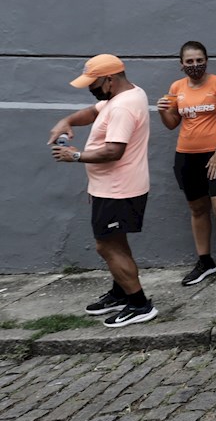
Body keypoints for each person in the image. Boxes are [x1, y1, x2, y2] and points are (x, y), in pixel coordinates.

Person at [48, 54, 158, 327]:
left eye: (93, 83)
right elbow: (94, 111)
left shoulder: (122, 107)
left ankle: (139, 304)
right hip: (109, 187)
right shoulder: (126, 95)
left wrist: (75, 156)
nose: (90, 88)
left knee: (106, 245)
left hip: (119, 189)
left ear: (109, 79)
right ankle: (122, 291)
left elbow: (114, 151)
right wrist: (68, 121)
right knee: (115, 241)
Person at [156, 41, 216, 285]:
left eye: (199, 60)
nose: (195, 65)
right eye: (189, 61)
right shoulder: (177, 87)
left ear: (206, 60)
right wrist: (161, 111)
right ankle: (205, 262)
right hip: (187, 157)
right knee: (198, 209)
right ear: (181, 64)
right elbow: (171, 124)